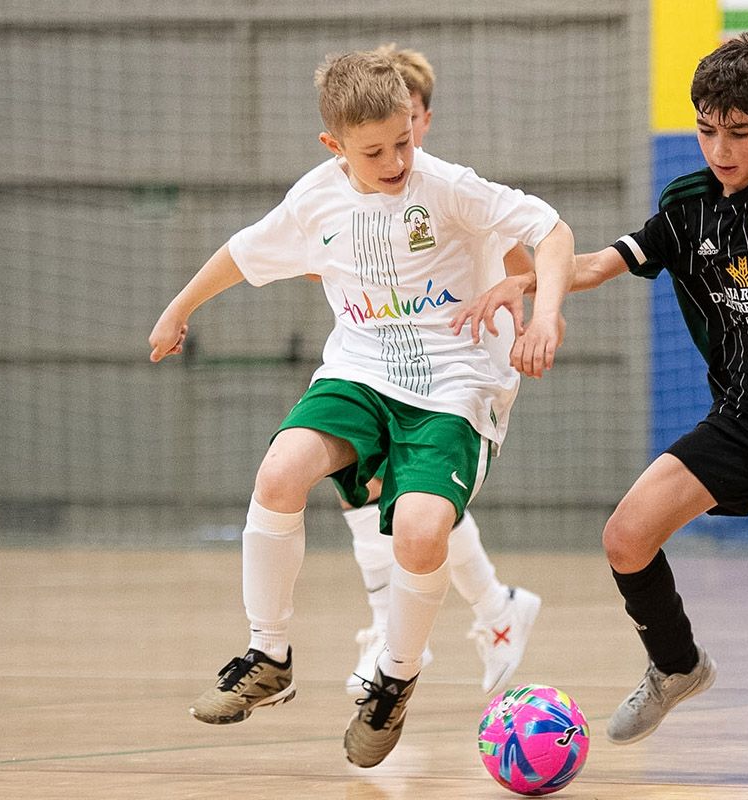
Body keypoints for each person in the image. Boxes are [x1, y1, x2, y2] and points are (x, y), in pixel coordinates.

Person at [456, 33, 748, 773]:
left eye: (740, 132)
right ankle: (676, 666)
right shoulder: (686, 209)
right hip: (743, 419)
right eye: (707, 130)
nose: (721, 148)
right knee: (625, 537)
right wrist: (530, 283)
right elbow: (596, 264)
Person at [148, 49, 574, 769]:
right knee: (280, 472)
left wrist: (546, 315)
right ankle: (268, 654)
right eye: (374, 150)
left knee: (419, 527)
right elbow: (241, 252)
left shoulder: (447, 188)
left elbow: (553, 231)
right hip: (360, 370)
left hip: (454, 384)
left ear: (416, 122)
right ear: (334, 146)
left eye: (404, 140)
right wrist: (178, 308)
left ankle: (395, 679)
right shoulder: (316, 198)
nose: (395, 159)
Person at [336, 44, 541, 699]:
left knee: (403, 494)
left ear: (422, 118)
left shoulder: (450, 190)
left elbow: (519, 259)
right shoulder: (363, 198)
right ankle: (493, 608)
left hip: (458, 366)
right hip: (388, 355)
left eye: (415, 118)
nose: (408, 135)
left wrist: (523, 322)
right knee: (371, 486)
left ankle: (425, 625)